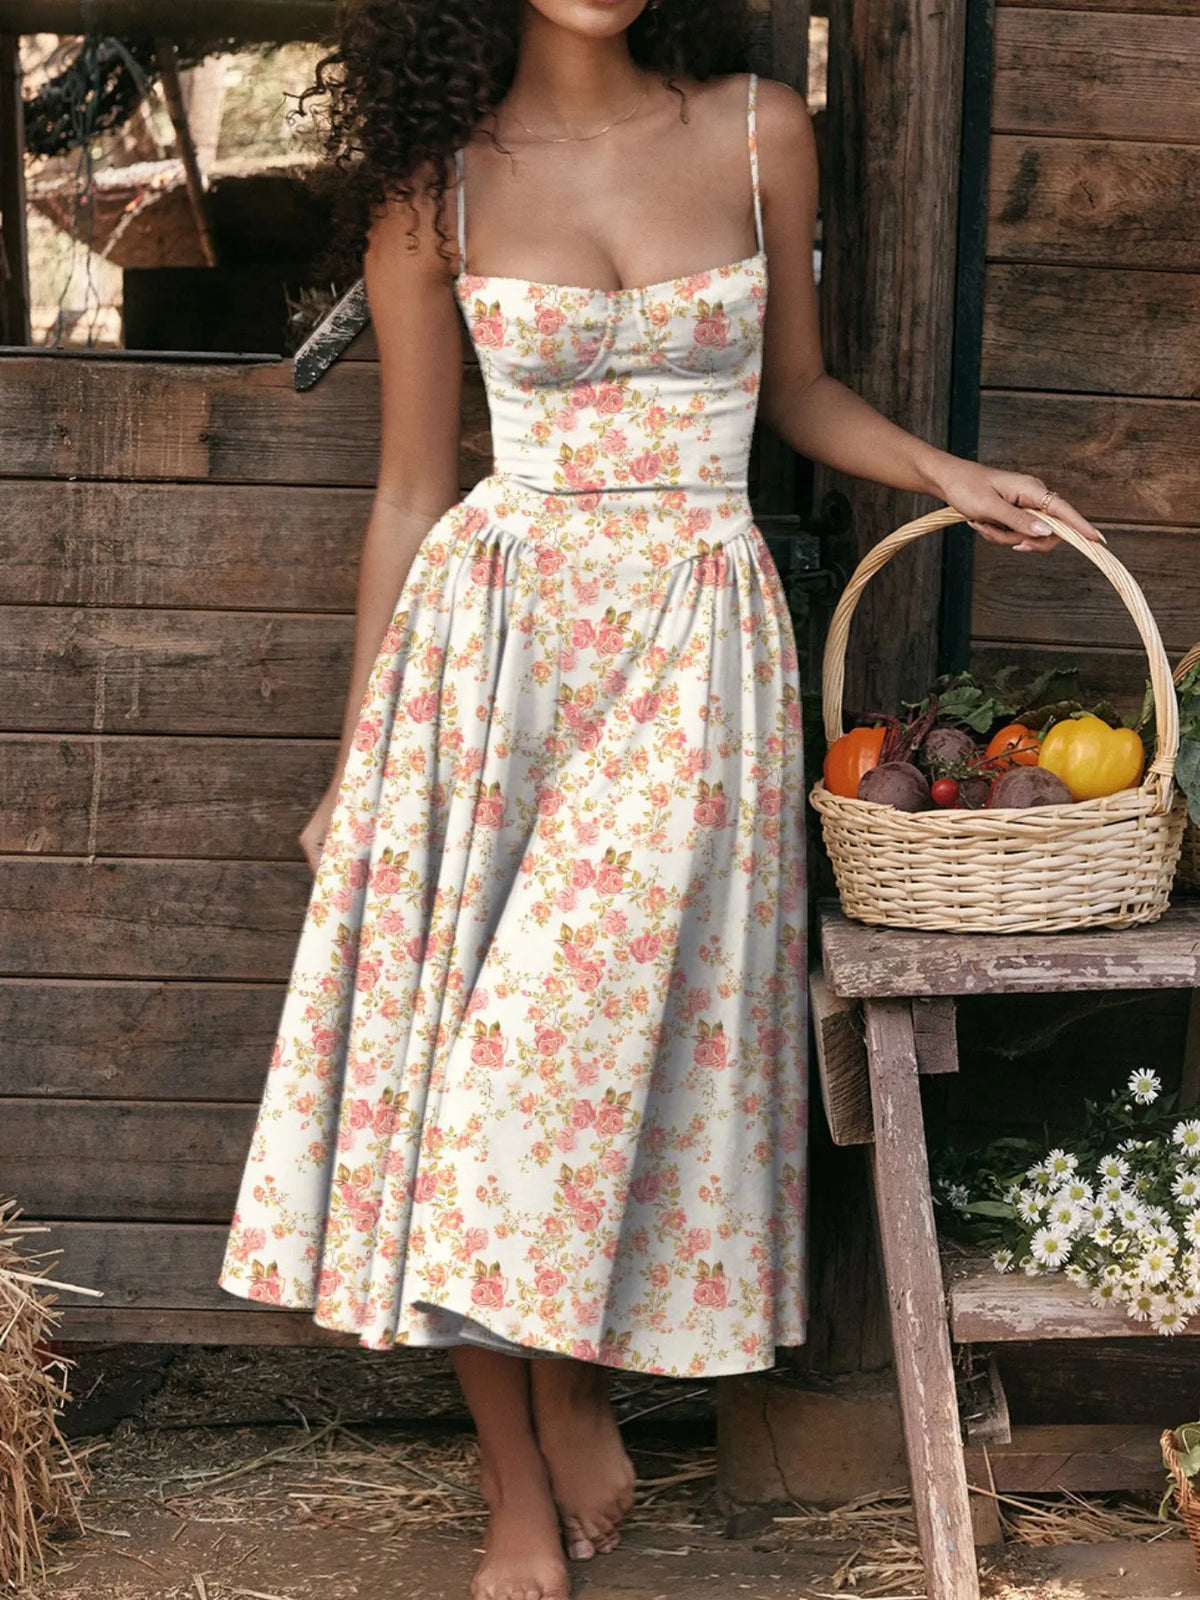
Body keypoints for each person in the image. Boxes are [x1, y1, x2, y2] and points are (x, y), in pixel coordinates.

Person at [218, 3, 1103, 1597]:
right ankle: (517, 1475)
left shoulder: (760, 127)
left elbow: (799, 396)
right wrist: (359, 758)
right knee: (465, 1077)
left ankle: (574, 1387)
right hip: (491, 658)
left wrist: (949, 477)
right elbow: (415, 485)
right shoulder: (438, 186)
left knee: (583, 1044)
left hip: (698, 645)